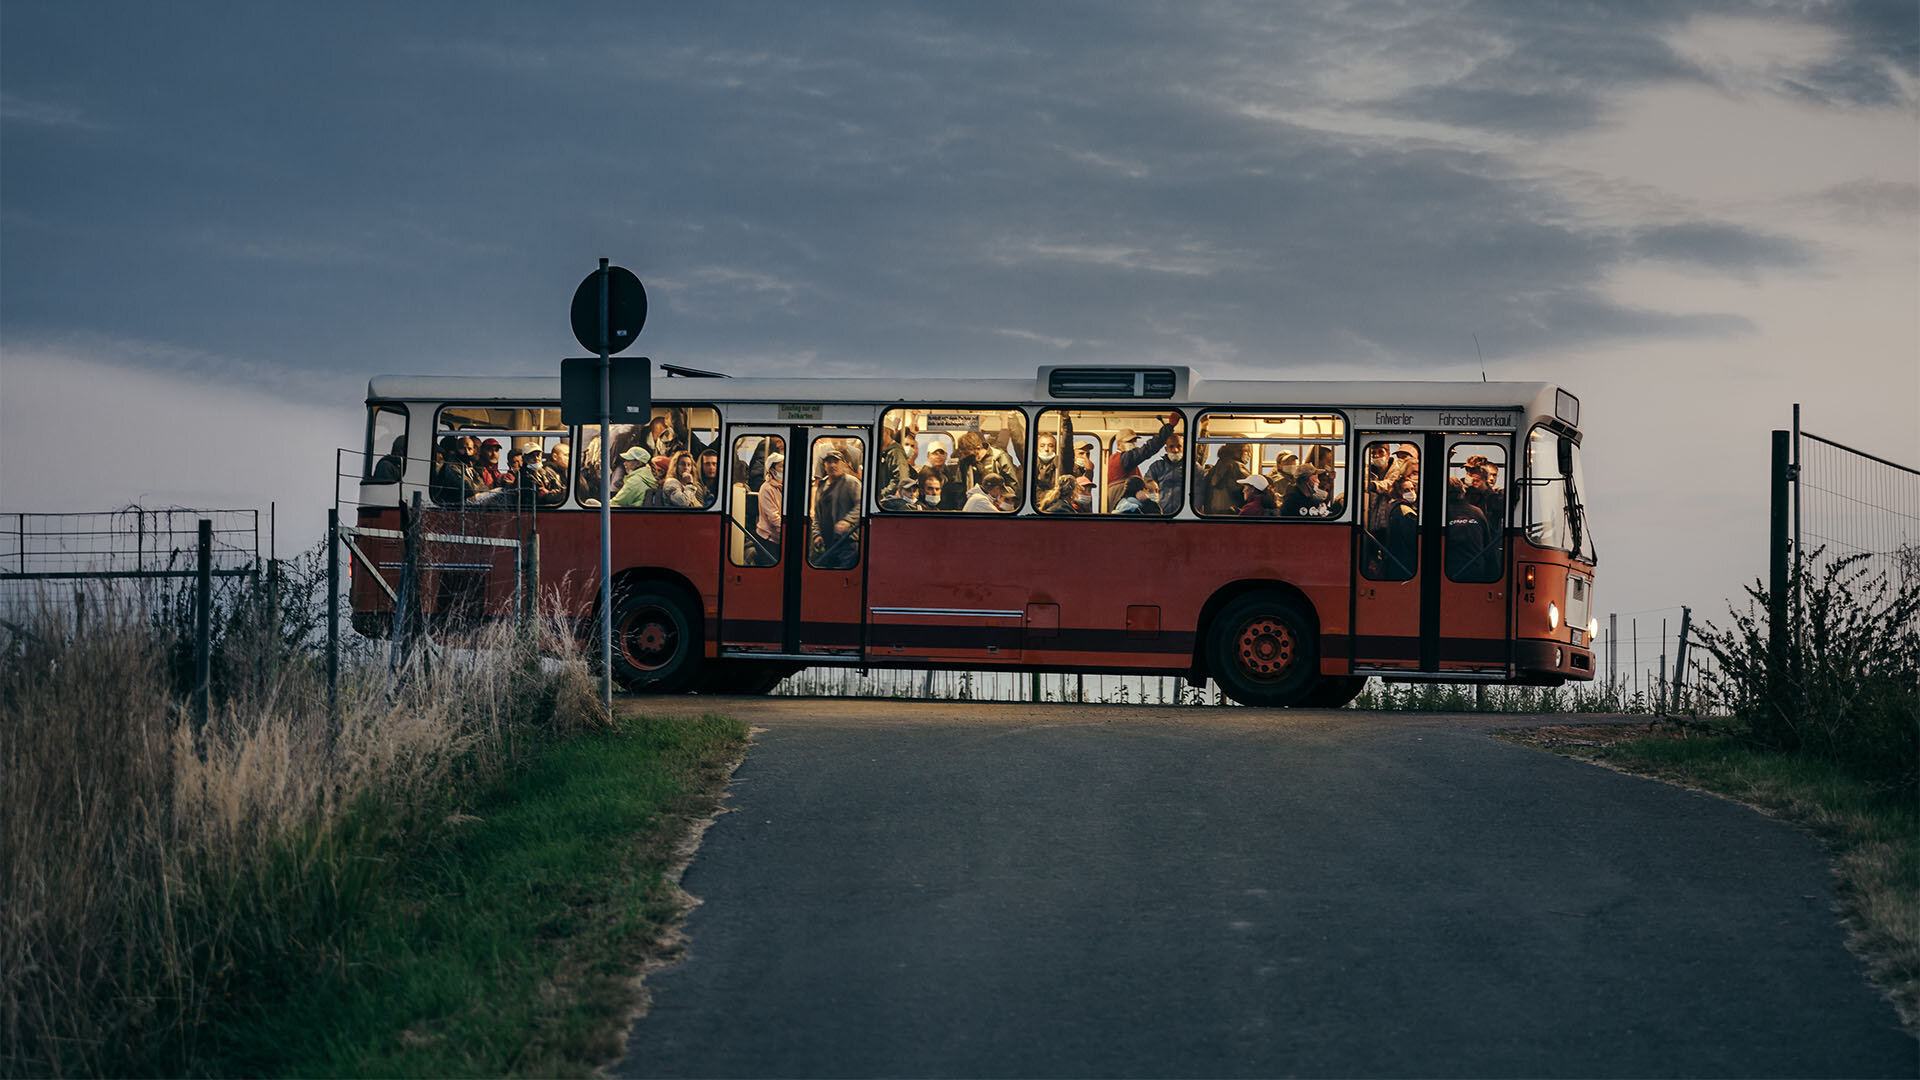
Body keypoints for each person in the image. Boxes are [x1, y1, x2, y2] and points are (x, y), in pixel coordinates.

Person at [810, 448, 862, 568]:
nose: (832, 465)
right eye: (829, 462)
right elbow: (817, 514)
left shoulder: (852, 483)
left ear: (843, 464)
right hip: (827, 544)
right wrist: (816, 535)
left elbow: (861, 505)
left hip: (847, 544)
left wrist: (848, 521)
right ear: (824, 465)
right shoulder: (821, 485)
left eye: (836, 461)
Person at [1201, 443, 1250, 514]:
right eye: (1246, 451)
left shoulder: (1217, 467)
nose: (1249, 455)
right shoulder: (1236, 467)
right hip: (1230, 512)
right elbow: (1248, 491)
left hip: (1212, 513)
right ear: (1236, 452)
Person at [754, 453, 784, 564]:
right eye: (781, 466)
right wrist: (787, 531)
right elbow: (773, 517)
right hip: (768, 538)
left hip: (778, 537)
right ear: (772, 469)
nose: (784, 469)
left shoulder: (781, 487)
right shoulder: (766, 489)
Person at [1146, 432, 1184, 516]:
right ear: (1166, 449)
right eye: (1171, 446)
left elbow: (1198, 494)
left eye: (1179, 446)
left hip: (1184, 516)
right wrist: (1153, 512)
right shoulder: (1156, 467)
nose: (1175, 450)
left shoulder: (1193, 468)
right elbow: (1148, 490)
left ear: (1184, 448)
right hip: (1160, 516)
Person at [878, 427, 918, 504]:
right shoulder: (885, 453)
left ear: (887, 432)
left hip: (890, 502)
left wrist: (882, 494)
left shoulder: (896, 453)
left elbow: (901, 479)